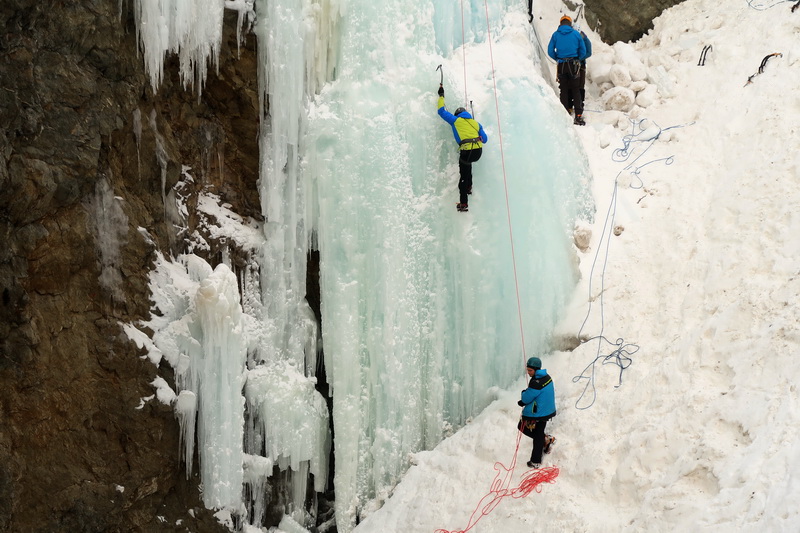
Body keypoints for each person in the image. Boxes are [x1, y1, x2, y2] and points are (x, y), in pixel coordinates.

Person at [437, 85, 488, 212]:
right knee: (468, 166)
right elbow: (485, 139)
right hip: (478, 152)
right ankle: (469, 187)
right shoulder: (476, 123)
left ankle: (464, 203)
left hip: (467, 151)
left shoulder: (456, 120)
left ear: (458, 115)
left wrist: (441, 96)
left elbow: (441, 111)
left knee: (463, 176)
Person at [547, 15, 587, 126]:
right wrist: (577, 58)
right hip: (573, 65)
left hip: (562, 65)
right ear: (570, 24)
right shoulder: (575, 34)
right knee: (576, 89)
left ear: (561, 23)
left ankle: (565, 112)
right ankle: (578, 116)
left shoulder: (556, 35)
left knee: (563, 89)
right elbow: (583, 51)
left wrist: (558, 58)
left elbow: (550, 50)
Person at [518, 356, 556, 468]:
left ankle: (536, 461)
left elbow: (526, 398)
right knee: (538, 432)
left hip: (540, 412)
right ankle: (546, 440)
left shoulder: (536, 382)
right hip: (547, 409)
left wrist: (523, 394)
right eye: (527, 370)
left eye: (530, 370)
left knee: (522, 426)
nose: (528, 372)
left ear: (536, 369)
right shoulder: (546, 377)